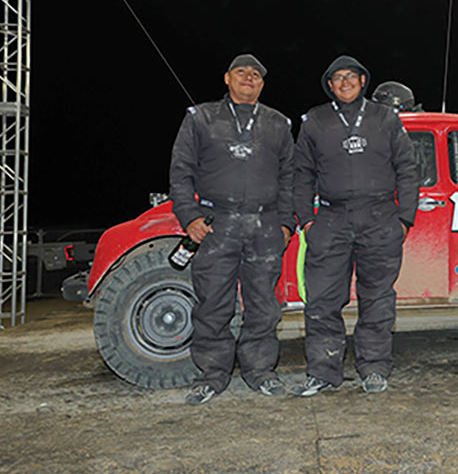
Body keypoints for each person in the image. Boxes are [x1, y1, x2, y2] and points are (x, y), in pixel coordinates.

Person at [169, 53, 295, 405]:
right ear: (227, 78)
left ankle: (260, 372)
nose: (249, 78)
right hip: (215, 224)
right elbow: (180, 171)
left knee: (263, 305)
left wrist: (286, 223)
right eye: (242, 72)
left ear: (262, 84)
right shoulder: (200, 118)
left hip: (264, 224)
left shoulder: (278, 124)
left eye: (256, 75)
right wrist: (190, 216)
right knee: (213, 303)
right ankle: (212, 375)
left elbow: (290, 177)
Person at [291, 55, 418, 396]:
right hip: (331, 219)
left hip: (379, 217)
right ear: (329, 85)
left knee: (377, 297)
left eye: (351, 76)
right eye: (337, 78)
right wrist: (306, 221)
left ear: (363, 81)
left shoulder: (386, 118)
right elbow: (300, 174)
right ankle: (323, 371)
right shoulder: (315, 120)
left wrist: (405, 217)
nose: (345, 82)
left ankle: (374, 368)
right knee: (322, 300)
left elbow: (407, 168)